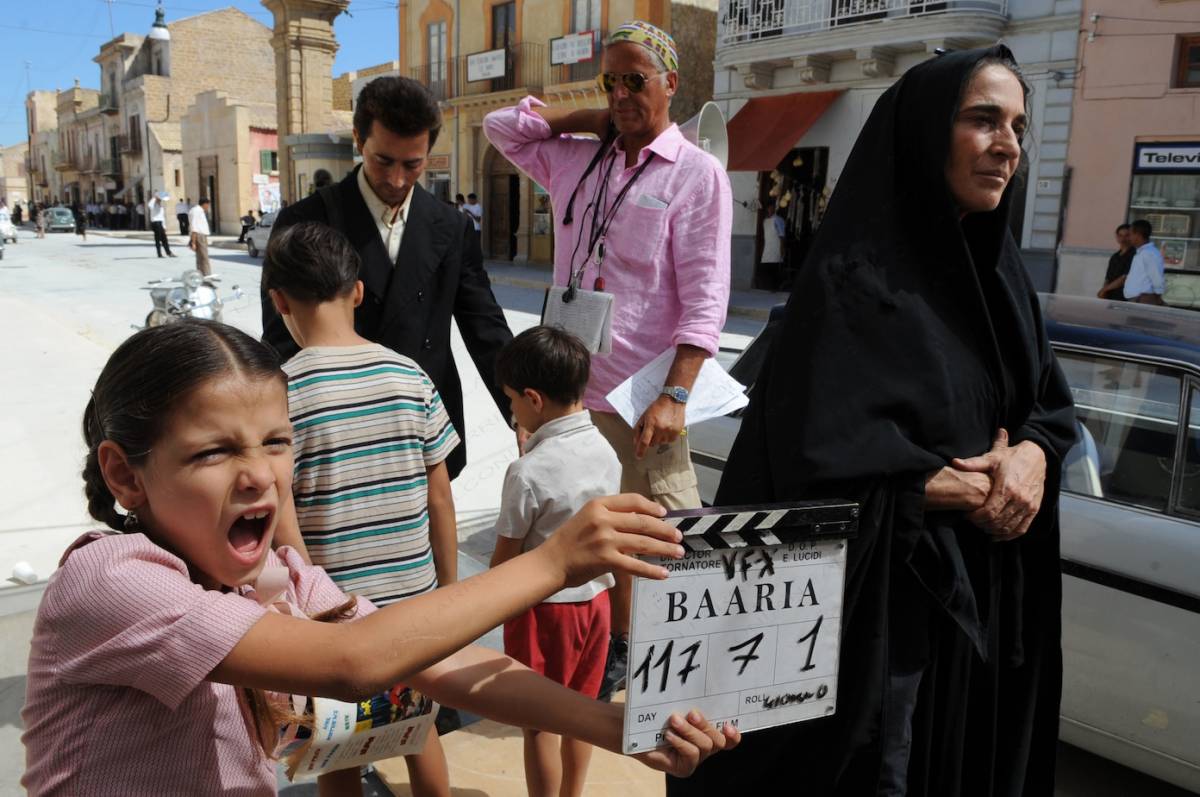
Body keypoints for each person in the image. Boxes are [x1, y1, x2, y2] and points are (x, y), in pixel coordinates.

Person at [20, 318, 738, 795]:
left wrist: (620, 725)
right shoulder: (110, 580)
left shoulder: (278, 575)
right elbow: (351, 664)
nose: (259, 475)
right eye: (214, 450)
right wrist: (552, 563)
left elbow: (443, 662)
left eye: (276, 441)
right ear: (124, 474)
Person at [670, 45, 1077, 797]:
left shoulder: (1004, 280)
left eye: (1018, 125)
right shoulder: (849, 288)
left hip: (982, 621)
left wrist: (1030, 459)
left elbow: (1049, 406)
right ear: (926, 132)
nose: (1008, 145)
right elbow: (807, 457)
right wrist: (943, 488)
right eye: (983, 119)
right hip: (881, 636)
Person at [484, 20, 732, 700]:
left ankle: (673, 657)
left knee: (660, 532)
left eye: (637, 81)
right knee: (580, 534)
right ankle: (608, 644)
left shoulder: (698, 175)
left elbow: (707, 299)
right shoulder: (575, 158)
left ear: (672, 85)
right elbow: (502, 129)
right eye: (612, 81)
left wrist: (676, 395)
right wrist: (592, 117)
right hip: (564, 393)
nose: (624, 93)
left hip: (639, 397)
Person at [262, 222, 458, 794]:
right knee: (421, 729)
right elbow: (440, 496)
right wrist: (448, 594)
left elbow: (283, 517)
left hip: (337, 619)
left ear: (279, 302)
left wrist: (306, 614)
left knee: (338, 749)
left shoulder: (282, 392)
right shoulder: (410, 374)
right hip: (415, 606)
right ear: (358, 292)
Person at [261, 76, 514, 480]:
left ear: (429, 152)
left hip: (426, 433)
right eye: (384, 161)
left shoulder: (450, 226)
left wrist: (524, 413)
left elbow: (486, 327)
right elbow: (279, 341)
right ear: (359, 141)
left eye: (412, 164)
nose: (397, 179)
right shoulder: (305, 221)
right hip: (336, 436)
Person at [489, 326, 621, 797]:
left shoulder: (527, 471)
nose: (511, 411)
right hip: (596, 604)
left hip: (543, 612)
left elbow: (505, 558)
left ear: (533, 399)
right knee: (581, 712)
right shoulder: (605, 450)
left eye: (511, 400)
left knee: (539, 721)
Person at [1123, 218, 1166, 305]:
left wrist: (1157, 298)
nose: (1129, 238)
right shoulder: (1141, 252)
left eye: (1130, 234)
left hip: (1143, 299)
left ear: (1138, 235)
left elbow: (1157, 278)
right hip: (1136, 299)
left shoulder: (1149, 253)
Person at [757, 202, 785, 290]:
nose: (770, 209)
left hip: (776, 246)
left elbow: (782, 235)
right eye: (769, 208)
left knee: (774, 268)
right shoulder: (765, 221)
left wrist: (781, 248)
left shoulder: (778, 220)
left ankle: (775, 287)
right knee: (765, 267)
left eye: (772, 208)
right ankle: (766, 286)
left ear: (774, 208)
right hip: (767, 247)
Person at [188, 197, 212, 276]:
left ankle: (200, 277)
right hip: (199, 236)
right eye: (208, 205)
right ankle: (207, 278)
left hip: (200, 236)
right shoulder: (197, 211)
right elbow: (194, 227)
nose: (208, 207)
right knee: (204, 259)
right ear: (205, 204)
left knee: (200, 259)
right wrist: (193, 242)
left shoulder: (197, 210)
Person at [148, 193, 175, 258]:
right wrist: (154, 197)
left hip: (160, 223)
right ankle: (159, 254)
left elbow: (162, 217)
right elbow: (149, 205)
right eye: (159, 199)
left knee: (164, 239)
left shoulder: (161, 207)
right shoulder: (153, 205)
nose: (160, 200)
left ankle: (168, 252)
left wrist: (164, 226)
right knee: (157, 239)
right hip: (155, 223)